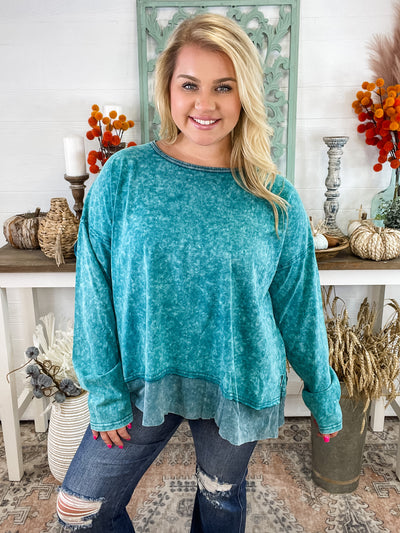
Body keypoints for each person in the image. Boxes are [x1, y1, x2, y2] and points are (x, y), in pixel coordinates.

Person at [56, 13, 342, 532]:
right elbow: (93, 290)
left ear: (244, 95)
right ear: (168, 89)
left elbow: (299, 308)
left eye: (223, 87)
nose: (204, 104)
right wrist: (104, 391)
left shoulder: (274, 197)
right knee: (80, 509)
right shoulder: (124, 176)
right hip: (142, 379)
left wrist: (323, 394)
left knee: (219, 502)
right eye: (189, 85)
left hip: (238, 380)